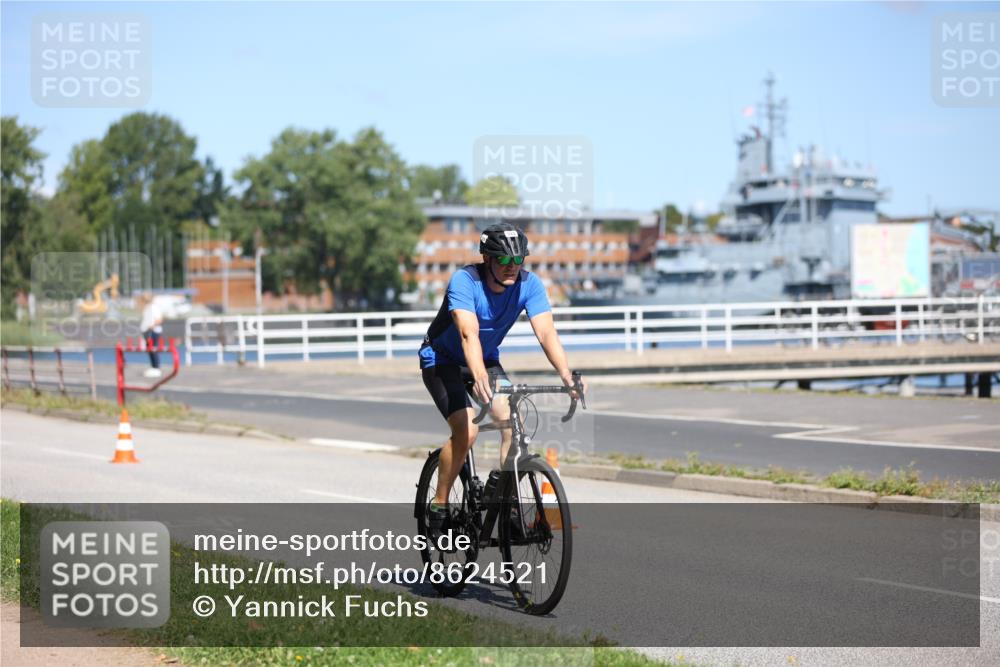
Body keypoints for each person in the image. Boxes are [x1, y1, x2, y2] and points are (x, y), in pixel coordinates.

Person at [418, 222, 585, 536]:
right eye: (504, 261)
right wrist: (478, 374)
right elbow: (469, 334)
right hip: (442, 361)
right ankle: (439, 503)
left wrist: (566, 374)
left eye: (518, 261)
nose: (512, 267)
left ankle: (503, 497)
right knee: (467, 431)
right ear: (487, 259)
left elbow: (546, 332)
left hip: (487, 360)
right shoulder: (465, 282)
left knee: (515, 421)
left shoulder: (529, 285)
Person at [137, 292, 164, 378]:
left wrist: (151, 326)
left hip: (152, 331)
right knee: (149, 349)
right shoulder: (147, 307)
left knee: (153, 349)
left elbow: (159, 319)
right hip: (147, 331)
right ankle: (153, 367)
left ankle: (156, 367)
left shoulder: (154, 307)